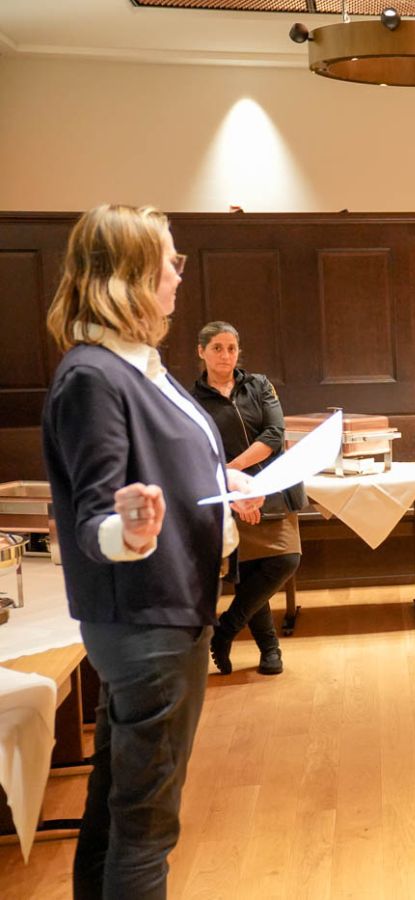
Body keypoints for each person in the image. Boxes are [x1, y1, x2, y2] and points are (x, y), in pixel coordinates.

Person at [41, 204, 261, 898]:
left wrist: (224, 480)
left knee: (116, 808)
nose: (178, 273)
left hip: (165, 609)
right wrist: (128, 532)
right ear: (129, 275)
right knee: (146, 829)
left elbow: (175, 458)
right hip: (146, 620)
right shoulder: (94, 376)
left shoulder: (140, 365)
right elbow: (93, 518)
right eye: (169, 260)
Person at [192, 321, 306, 677]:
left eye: (231, 348)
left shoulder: (260, 385)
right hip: (230, 495)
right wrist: (232, 484)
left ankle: (224, 630)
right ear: (201, 352)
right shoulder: (192, 400)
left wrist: (233, 469)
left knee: (286, 559)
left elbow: (274, 434)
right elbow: (198, 450)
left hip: (272, 486)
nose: (225, 355)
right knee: (251, 573)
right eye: (217, 348)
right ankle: (270, 650)